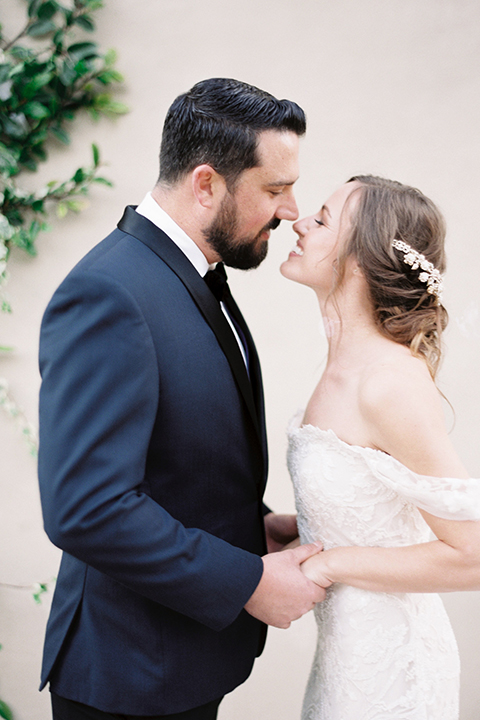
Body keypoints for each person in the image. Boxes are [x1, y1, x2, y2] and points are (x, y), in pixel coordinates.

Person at [37, 78, 325, 720]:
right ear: (206, 184)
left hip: (180, 669)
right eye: (275, 189)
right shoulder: (109, 294)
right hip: (129, 680)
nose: (290, 209)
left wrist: (256, 526)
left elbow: (176, 460)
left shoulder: (192, 273)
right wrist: (248, 583)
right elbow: (86, 508)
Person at [280, 175, 480, 720]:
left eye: (321, 219)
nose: (297, 222)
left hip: (393, 673)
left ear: (362, 260)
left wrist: (327, 566)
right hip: (346, 657)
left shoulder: (388, 381)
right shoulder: (343, 365)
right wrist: (293, 529)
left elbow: (473, 555)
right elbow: (370, 501)